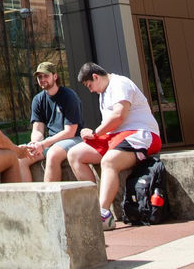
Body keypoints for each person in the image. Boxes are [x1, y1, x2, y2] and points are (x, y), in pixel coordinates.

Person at [66, 62, 162, 230]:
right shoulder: (103, 93)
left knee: (109, 162)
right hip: (115, 137)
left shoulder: (120, 83)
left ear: (95, 77)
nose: (91, 90)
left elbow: (119, 116)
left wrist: (95, 133)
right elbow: (110, 125)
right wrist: (91, 134)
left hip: (141, 133)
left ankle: (104, 213)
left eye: (90, 85)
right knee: (74, 154)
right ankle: (94, 207)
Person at [24, 60, 83, 182]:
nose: (42, 79)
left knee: (52, 154)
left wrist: (44, 144)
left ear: (55, 76)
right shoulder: (38, 100)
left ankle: (49, 198)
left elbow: (70, 132)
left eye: (46, 76)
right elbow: (38, 129)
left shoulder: (69, 96)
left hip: (74, 139)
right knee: (22, 158)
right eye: (39, 77)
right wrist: (35, 144)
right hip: (51, 141)